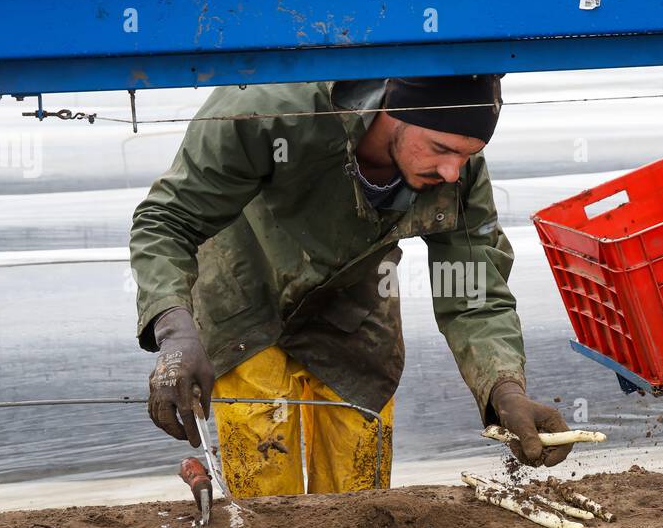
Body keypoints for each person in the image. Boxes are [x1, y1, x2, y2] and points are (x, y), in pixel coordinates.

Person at [130, 74, 572, 497]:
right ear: (393, 111)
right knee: (263, 486)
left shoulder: (457, 172)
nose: (453, 171)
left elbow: (473, 292)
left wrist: (504, 389)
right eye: (441, 148)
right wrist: (175, 333)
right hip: (246, 296)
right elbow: (167, 222)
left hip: (354, 305)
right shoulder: (270, 109)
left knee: (360, 501)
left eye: (467, 155)